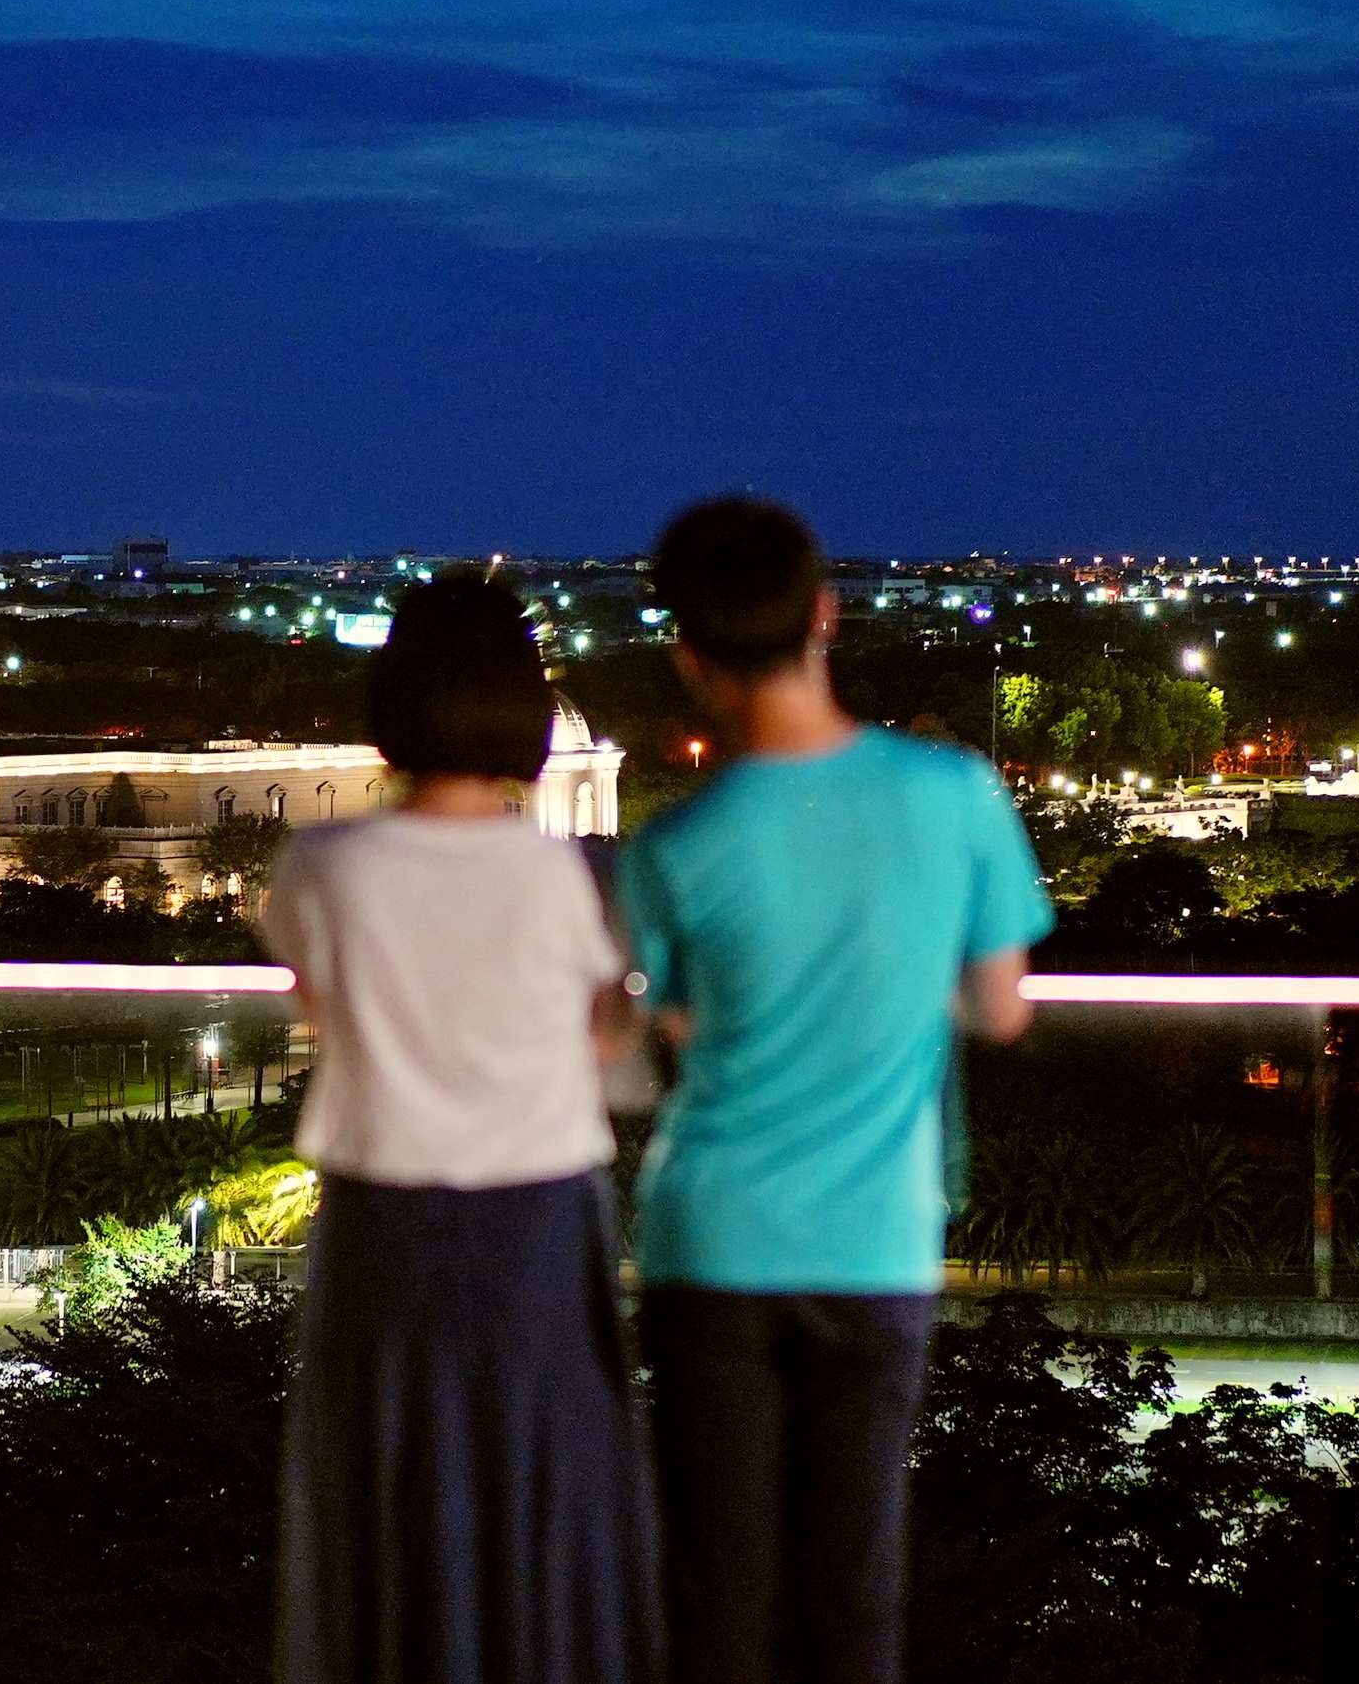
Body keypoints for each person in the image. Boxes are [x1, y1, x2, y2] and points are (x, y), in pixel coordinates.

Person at [616, 500, 1049, 1684]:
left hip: (708, 1231)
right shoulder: (954, 792)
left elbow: (665, 1025)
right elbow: (1002, 1007)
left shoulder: (673, 844)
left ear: (688, 651)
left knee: (717, 1591)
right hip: (872, 1237)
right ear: (826, 615)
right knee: (853, 1591)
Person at [265, 570, 655, 1684]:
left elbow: (323, 1014)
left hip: (381, 1216)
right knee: (543, 1483)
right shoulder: (579, 876)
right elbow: (606, 1039)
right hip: (537, 1214)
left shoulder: (321, 868)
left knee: (385, 1485)